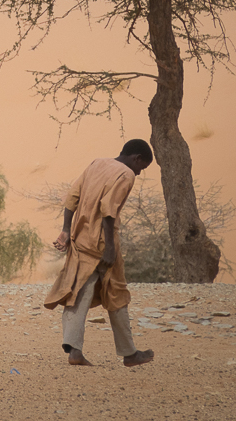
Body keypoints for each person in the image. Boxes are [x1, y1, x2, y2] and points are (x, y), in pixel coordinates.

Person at [43, 139, 156, 367]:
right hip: (102, 243)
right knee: (117, 293)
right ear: (137, 159)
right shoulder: (126, 175)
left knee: (78, 292)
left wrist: (66, 230)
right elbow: (108, 211)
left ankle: (74, 351)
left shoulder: (97, 163)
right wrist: (111, 249)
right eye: (141, 168)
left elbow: (71, 197)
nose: (139, 173)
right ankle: (129, 353)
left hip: (80, 240)